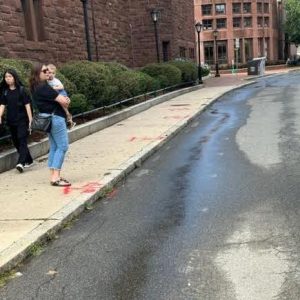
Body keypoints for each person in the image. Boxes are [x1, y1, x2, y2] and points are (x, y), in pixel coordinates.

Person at [29, 63, 71, 186]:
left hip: (48, 119)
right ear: (37, 74)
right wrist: (66, 100)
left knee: (54, 146)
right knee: (62, 146)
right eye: (44, 71)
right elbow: (64, 102)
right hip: (56, 118)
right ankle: (56, 178)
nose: (47, 72)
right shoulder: (45, 88)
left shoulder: (35, 87)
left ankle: (53, 174)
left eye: (48, 70)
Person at [0, 69, 33, 173]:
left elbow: (27, 106)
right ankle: (29, 160)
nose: (8, 79)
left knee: (22, 139)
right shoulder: (5, 91)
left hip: (22, 120)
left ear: (14, 77)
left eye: (10, 76)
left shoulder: (22, 90)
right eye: (6, 77)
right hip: (11, 120)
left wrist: (30, 120)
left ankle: (21, 163)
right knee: (16, 142)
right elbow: (2, 105)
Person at [47, 64, 76, 129]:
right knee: (61, 106)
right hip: (55, 96)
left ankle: (68, 115)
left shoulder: (55, 80)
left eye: (53, 73)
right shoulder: (46, 81)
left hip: (61, 93)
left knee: (63, 104)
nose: (51, 74)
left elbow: (62, 87)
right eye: (49, 72)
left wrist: (54, 87)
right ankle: (69, 120)